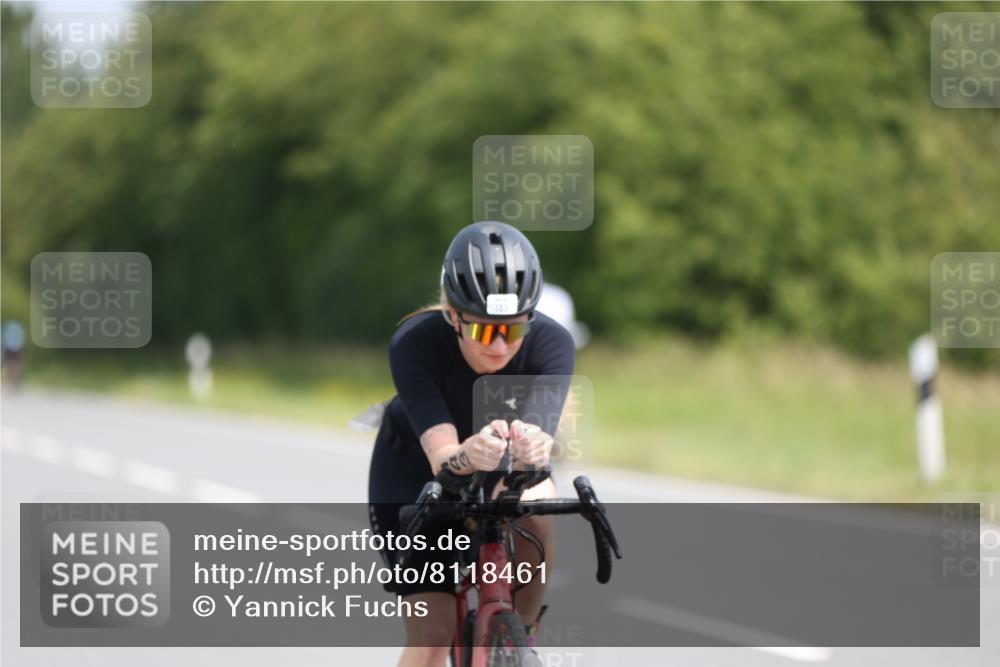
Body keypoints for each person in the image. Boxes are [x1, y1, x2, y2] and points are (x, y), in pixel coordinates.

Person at [368, 221, 575, 667]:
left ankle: (521, 636)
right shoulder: (415, 344)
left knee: (539, 510)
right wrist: (470, 452)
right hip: (413, 472)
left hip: (502, 464)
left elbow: (538, 444)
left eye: (514, 331)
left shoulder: (553, 343)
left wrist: (534, 445)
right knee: (432, 639)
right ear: (452, 316)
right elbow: (442, 457)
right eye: (484, 331)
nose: (500, 345)